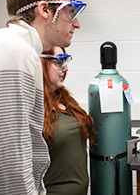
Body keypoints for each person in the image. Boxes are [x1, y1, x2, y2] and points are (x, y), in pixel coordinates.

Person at [0, 0, 86, 195]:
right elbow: (11, 155)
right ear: (45, 10)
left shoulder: (14, 47)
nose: (77, 23)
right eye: (71, 11)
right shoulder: (16, 51)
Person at [40, 46, 95, 194]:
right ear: (40, 62)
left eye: (66, 62)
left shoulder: (65, 100)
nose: (65, 69)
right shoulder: (33, 107)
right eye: (59, 62)